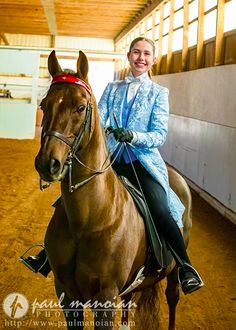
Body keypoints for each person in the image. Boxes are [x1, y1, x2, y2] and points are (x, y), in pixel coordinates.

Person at [21, 37, 204, 295]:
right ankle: (47, 256)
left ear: (153, 60)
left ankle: (185, 267)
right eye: (136, 52)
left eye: (146, 54)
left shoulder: (159, 94)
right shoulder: (112, 88)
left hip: (142, 163)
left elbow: (159, 134)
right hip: (110, 159)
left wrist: (133, 136)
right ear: (129, 56)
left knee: (160, 208)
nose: (141, 57)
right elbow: (98, 118)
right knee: (69, 201)